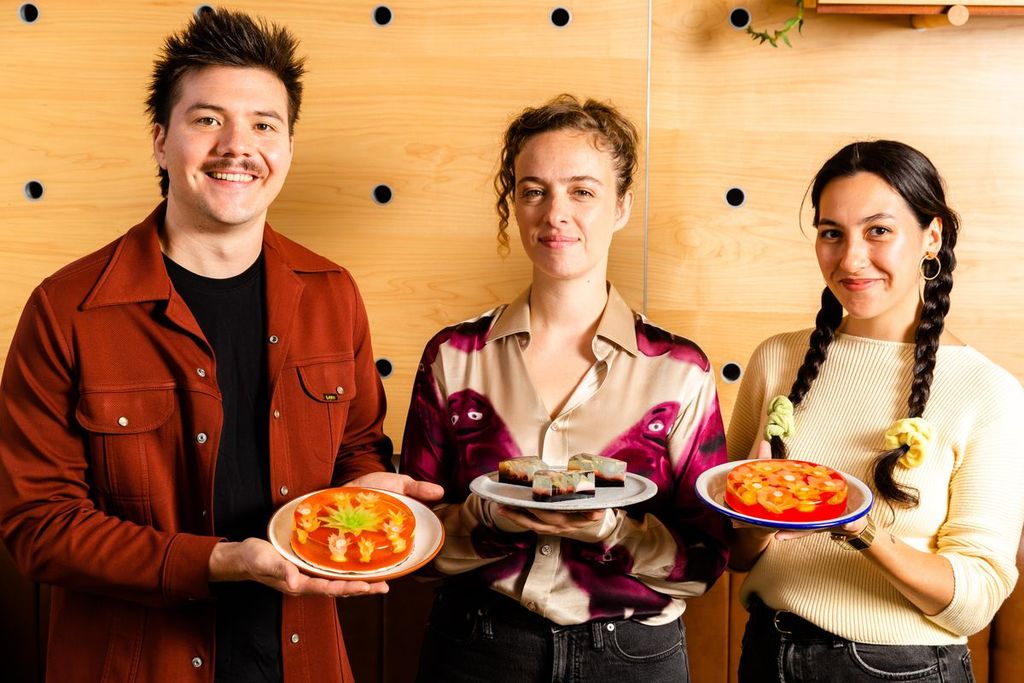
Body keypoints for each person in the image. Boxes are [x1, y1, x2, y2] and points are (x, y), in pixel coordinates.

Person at [0, 8, 440, 683]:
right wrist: (215, 561)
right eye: (208, 120)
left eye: (264, 125)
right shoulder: (67, 309)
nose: (238, 147)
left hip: (304, 662)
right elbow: (39, 525)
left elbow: (355, 447)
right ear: (160, 141)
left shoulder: (332, 294)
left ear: (287, 148)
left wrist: (365, 488)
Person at [400, 94, 730, 683]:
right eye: (534, 191)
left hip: (632, 658)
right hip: (477, 647)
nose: (555, 213)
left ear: (622, 206)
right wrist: (490, 520)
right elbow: (414, 541)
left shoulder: (680, 370)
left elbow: (706, 561)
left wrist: (613, 531)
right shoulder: (453, 357)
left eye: (582, 191)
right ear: (515, 204)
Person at [726, 140, 1024, 681]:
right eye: (831, 233)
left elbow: (977, 600)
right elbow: (736, 554)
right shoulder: (776, 360)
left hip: (900, 668)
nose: (850, 259)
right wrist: (751, 517)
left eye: (878, 230)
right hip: (769, 653)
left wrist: (860, 529)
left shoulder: (988, 391)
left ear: (931, 236)